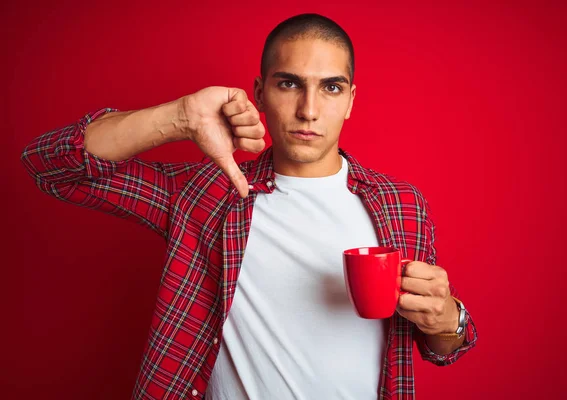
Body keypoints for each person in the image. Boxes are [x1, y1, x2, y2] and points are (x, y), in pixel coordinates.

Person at [21, 13, 477, 400]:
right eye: (289, 84)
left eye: (331, 88)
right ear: (259, 93)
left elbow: (444, 347)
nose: (308, 110)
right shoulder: (208, 195)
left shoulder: (401, 205)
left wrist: (446, 317)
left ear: (351, 100)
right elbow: (52, 166)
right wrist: (178, 117)